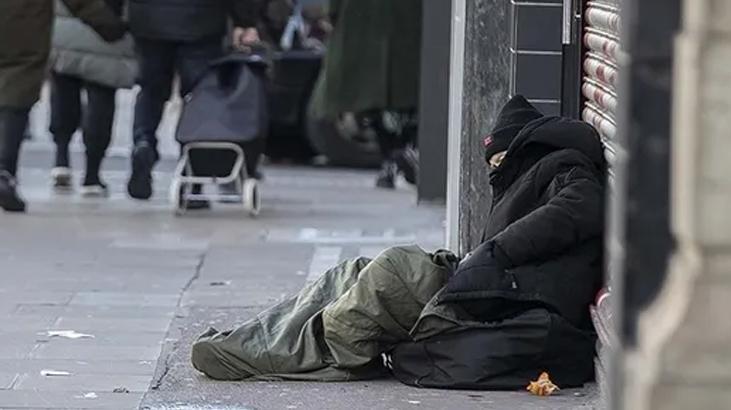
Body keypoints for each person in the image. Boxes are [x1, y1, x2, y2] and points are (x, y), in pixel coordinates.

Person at [190, 96, 606, 389]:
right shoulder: (526, 176)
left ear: (519, 149)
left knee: (386, 278)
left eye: (498, 159)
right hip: (488, 285)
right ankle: (250, 338)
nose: (493, 169)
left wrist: (497, 251)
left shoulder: (563, 165)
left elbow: (581, 205)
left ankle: (274, 350)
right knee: (347, 274)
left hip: (510, 297)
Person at [126, 0, 262, 201]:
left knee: (151, 91)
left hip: (148, 19)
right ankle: (192, 178)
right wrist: (244, 20)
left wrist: (116, 13)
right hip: (202, 20)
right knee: (198, 97)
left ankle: (143, 142)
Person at [0, 0, 126, 212]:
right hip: (24, 24)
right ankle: (4, 172)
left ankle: (11, 171)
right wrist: (109, 25)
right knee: (17, 94)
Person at [313, 0, 421, 189]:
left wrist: (331, 12)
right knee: (406, 96)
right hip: (407, 22)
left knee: (370, 101)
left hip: (360, 22)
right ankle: (402, 154)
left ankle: (392, 159)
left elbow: (332, 10)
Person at [49, 0, 136, 196]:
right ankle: (92, 176)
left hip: (67, 25)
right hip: (109, 28)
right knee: (101, 100)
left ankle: (61, 160)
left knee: (63, 91)